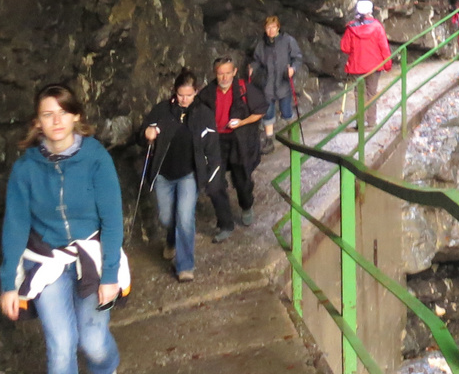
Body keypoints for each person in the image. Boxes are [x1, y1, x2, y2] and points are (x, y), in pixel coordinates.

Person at [2, 83, 127, 374]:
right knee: (60, 346)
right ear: (37, 123)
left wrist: (110, 275)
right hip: (47, 261)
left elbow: (111, 221)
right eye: (48, 114)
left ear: (76, 116)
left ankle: (107, 368)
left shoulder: (97, 159)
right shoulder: (25, 169)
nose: (56, 121)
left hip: (93, 258)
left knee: (93, 341)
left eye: (63, 112)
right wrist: (8, 283)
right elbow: (15, 226)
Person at [138, 70, 222, 282]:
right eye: (180, 95)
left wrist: (213, 176)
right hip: (164, 174)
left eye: (189, 95)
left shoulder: (204, 114)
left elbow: (212, 147)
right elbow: (141, 135)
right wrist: (147, 134)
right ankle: (171, 240)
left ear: (196, 92)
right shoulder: (162, 110)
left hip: (189, 175)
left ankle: (185, 266)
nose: (184, 100)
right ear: (174, 92)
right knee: (167, 217)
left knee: (184, 218)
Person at [196, 57, 266, 242]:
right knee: (214, 183)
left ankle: (246, 204)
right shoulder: (207, 93)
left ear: (234, 72)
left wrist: (242, 122)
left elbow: (261, 110)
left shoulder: (244, 89)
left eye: (228, 73)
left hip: (238, 140)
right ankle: (225, 223)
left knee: (242, 180)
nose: (224, 77)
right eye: (220, 73)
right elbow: (196, 113)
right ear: (215, 73)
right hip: (216, 141)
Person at [250, 15, 304, 154]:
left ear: (278, 27)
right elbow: (256, 60)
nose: (271, 30)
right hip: (267, 85)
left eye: (273, 27)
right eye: (268, 27)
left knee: (286, 111)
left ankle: (293, 135)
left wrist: (293, 69)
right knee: (268, 113)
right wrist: (252, 68)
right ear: (265, 29)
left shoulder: (288, 41)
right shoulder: (261, 44)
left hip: (283, 83)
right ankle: (269, 140)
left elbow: (297, 58)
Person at [340, 0, 392, 127]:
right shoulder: (377, 26)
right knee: (371, 93)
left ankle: (360, 122)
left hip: (357, 66)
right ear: (370, 11)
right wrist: (387, 64)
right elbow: (384, 47)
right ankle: (371, 121)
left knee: (359, 94)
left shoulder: (351, 28)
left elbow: (345, 48)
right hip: (375, 66)